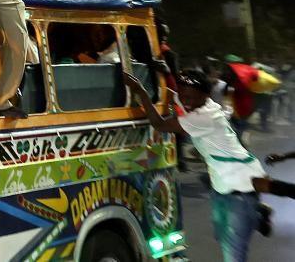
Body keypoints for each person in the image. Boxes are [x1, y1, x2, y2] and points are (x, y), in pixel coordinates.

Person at [124, 69, 295, 262]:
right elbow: (177, 97)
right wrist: (165, 75)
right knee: (222, 232)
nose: (185, 102)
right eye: (183, 96)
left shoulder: (203, 119)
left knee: (233, 250)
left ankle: (256, 211)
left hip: (238, 176)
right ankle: (258, 213)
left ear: (205, 95)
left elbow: (160, 124)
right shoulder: (202, 104)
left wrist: (140, 91)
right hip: (222, 180)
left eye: (190, 97)